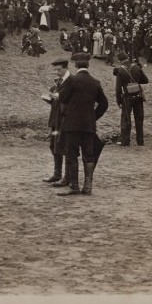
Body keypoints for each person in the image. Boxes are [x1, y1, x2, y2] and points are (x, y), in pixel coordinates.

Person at [56, 52, 109, 196]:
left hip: (72, 125)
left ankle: (74, 186)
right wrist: (93, 117)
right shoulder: (95, 82)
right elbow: (104, 104)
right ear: (88, 64)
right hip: (88, 126)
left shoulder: (71, 81)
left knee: (71, 154)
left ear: (74, 64)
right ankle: (88, 186)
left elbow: (62, 98)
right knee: (88, 154)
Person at [43, 57, 70, 184]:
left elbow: (66, 100)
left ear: (65, 68)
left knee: (64, 147)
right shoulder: (58, 82)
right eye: (55, 70)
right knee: (53, 145)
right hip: (55, 119)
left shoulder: (70, 82)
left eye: (58, 70)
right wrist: (49, 98)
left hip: (65, 121)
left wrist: (55, 96)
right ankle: (57, 174)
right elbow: (57, 100)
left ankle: (66, 176)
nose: (56, 72)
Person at [115, 55, 149, 147]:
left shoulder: (120, 70)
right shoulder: (136, 67)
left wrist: (119, 101)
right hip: (138, 95)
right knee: (139, 118)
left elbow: (118, 89)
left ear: (119, 60)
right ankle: (140, 140)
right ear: (127, 58)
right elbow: (145, 80)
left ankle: (125, 141)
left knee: (126, 118)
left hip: (127, 97)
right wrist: (136, 81)